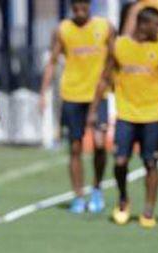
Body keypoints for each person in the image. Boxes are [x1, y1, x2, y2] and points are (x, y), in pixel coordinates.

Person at [88, 6, 158, 228]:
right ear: (143, 25)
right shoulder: (119, 46)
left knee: (151, 163)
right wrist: (93, 109)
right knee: (120, 162)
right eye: (156, 25)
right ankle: (123, 198)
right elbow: (103, 79)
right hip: (126, 116)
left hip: (152, 116)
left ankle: (148, 211)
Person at [39, 0, 115, 214]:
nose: (80, 12)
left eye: (83, 7)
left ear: (90, 5)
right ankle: (78, 196)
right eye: (76, 8)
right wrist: (43, 92)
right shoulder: (63, 29)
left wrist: (114, 82)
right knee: (75, 147)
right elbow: (52, 61)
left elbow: (114, 57)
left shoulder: (105, 27)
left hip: (99, 95)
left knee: (100, 144)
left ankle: (97, 189)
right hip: (72, 94)